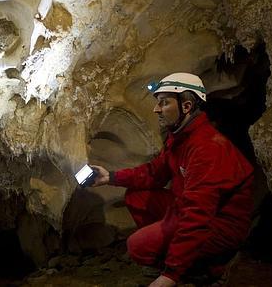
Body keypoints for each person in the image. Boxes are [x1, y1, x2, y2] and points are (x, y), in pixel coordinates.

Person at [91, 72, 254, 287]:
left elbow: (197, 214)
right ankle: (181, 257)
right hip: (187, 207)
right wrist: (110, 177)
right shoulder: (180, 137)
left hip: (220, 224)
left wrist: (171, 275)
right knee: (137, 196)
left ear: (186, 106)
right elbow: (153, 173)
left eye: (164, 103)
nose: (156, 109)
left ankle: (208, 267)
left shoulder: (208, 148)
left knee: (137, 247)